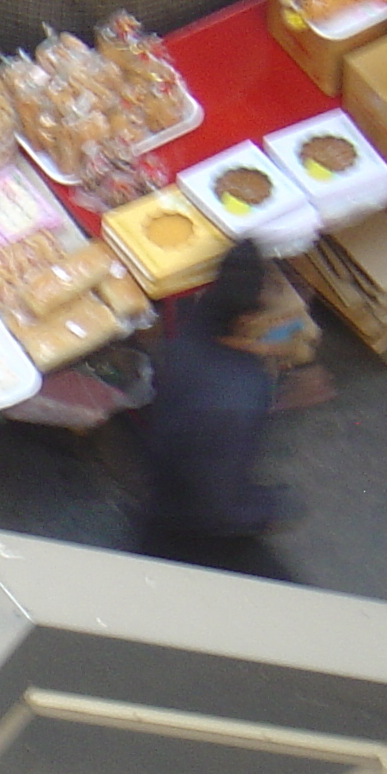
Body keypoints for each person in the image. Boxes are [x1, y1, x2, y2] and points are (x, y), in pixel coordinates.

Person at [132, 239, 292, 564]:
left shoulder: (190, 333)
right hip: (189, 534)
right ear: (248, 320)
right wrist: (272, 510)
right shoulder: (240, 392)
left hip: (163, 488)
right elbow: (217, 508)